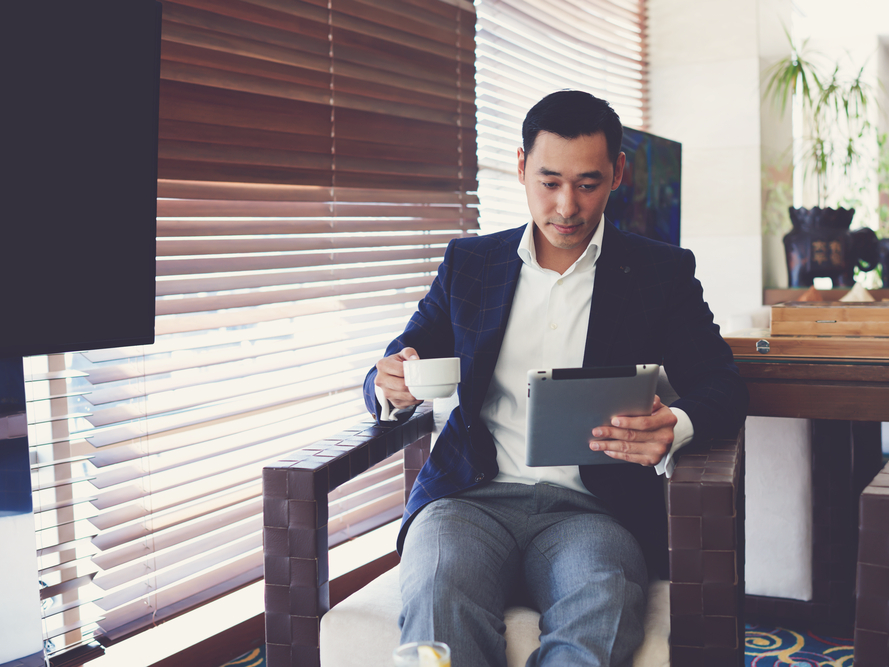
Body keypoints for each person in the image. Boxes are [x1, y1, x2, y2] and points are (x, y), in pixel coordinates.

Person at [363, 90, 748, 667]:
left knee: (600, 608)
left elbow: (723, 383)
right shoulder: (471, 264)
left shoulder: (659, 273)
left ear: (617, 173)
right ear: (521, 168)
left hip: (594, 511)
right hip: (468, 499)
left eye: (588, 183)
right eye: (549, 182)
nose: (567, 206)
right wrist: (385, 384)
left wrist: (677, 424)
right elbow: (400, 360)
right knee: (437, 605)